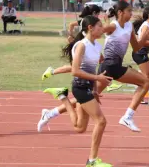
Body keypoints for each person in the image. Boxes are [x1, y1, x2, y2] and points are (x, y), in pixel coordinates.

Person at [43, 15, 113, 167]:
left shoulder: (96, 46)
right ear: (90, 28)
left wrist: (95, 88)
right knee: (101, 121)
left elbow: (93, 69)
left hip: (88, 87)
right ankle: (92, 161)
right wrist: (98, 78)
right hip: (80, 88)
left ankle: (62, 96)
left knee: (79, 128)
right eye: (99, 26)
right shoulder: (82, 45)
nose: (102, 29)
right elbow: (75, 71)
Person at [97, 0, 149, 132]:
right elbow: (95, 33)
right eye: (129, 11)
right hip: (109, 66)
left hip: (113, 67)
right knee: (146, 82)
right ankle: (127, 117)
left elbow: (136, 47)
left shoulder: (129, 27)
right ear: (120, 12)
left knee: (88, 97)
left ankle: (51, 112)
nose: (131, 13)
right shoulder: (113, 26)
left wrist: (145, 35)